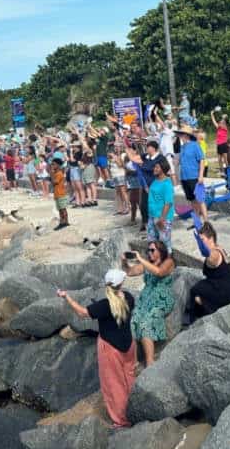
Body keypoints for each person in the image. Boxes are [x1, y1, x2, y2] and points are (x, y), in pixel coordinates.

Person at [57, 270, 136, 427]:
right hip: (128, 344)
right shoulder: (129, 298)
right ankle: (135, 408)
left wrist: (66, 297)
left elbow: (82, 313)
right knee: (130, 377)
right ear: (121, 283)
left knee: (114, 384)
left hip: (110, 347)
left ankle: (121, 420)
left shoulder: (104, 305)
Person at [127, 242, 175, 367]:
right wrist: (124, 262)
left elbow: (159, 272)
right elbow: (130, 272)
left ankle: (149, 362)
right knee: (132, 322)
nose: (150, 253)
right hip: (145, 300)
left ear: (160, 251)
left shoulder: (168, 262)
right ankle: (135, 361)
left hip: (161, 300)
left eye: (152, 250)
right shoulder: (148, 264)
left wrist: (141, 259)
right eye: (148, 250)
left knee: (145, 324)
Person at [188, 222, 230, 323]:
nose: (200, 243)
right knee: (199, 287)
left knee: (195, 291)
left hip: (229, 291)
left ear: (210, 239)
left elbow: (212, 258)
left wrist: (204, 251)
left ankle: (196, 320)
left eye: (202, 240)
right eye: (199, 241)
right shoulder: (218, 247)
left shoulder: (214, 254)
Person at [177, 127, 207, 224]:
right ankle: (197, 221)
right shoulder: (182, 147)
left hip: (194, 176)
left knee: (200, 199)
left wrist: (201, 175)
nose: (180, 136)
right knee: (192, 200)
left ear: (186, 135)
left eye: (181, 134)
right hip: (184, 177)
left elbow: (201, 160)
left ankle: (206, 222)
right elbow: (180, 162)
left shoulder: (195, 145)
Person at [145, 157, 174, 244]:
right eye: (154, 167)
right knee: (152, 243)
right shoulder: (155, 181)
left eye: (157, 167)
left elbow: (168, 203)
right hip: (152, 216)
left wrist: (162, 219)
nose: (154, 169)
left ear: (163, 169)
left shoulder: (167, 184)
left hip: (162, 218)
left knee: (164, 244)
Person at [50, 157, 69, 230]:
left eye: (53, 164)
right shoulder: (57, 173)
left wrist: (51, 174)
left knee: (63, 209)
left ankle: (65, 221)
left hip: (61, 194)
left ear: (58, 165)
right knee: (60, 209)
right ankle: (62, 222)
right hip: (57, 194)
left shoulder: (59, 173)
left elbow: (55, 182)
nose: (52, 166)